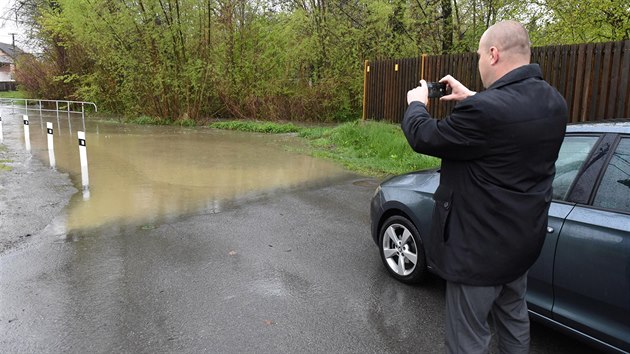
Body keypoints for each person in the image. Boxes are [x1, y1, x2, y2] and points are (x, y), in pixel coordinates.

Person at [401, 21, 568, 353]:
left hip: (478, 252)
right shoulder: (553, 101)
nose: (479, 62)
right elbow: (511, 121)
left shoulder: (487, 111)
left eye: (479, 55)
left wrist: (416, 104)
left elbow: (424, 136)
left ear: (493, 54)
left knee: (468, 339)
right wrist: (472, 96)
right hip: (521, 244)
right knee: (514, 319)